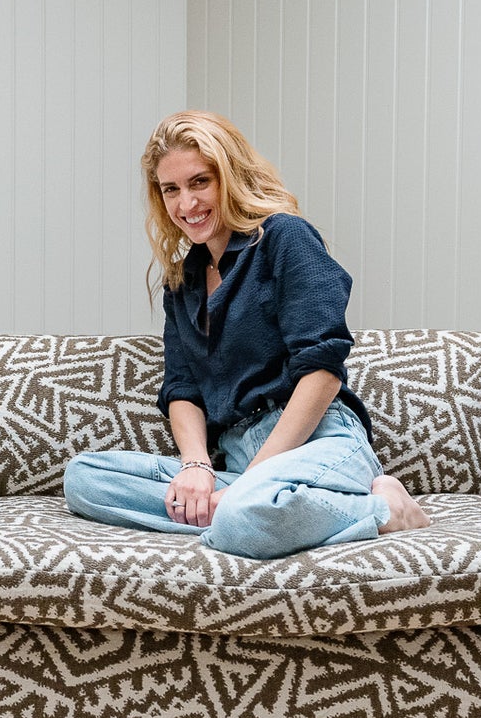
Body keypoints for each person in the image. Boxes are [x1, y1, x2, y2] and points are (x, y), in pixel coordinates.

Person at [63, 111, 428, 558]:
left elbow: (322, 371)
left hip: (316, 441)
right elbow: (182, 388)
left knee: (240, 514)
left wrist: (253, 479)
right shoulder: (182, 280)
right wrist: (196, 467)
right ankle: (261, 510)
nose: (186, 203)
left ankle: (385, 511)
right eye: (171, 189)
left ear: (230, 176)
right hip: (236, 460)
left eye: (200, 182)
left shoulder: (283, 237)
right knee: (85, 478)